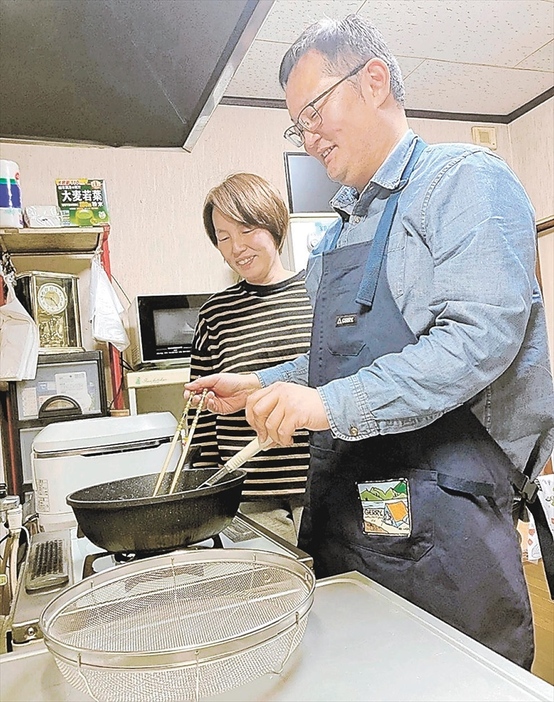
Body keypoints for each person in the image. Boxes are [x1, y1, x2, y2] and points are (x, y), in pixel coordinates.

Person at [185, 16, 554, 668]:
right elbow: (340, 361)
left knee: (450, 674)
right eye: (297, 124)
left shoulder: (463, 183)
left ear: (374, 80)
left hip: (446, 513)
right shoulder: (341, 230)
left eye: (315, 109)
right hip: (361, 508)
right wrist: (266, 383)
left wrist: (324, 405)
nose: (308, 135)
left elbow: (478, 339)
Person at [188, 172, 312, 544]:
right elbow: (204, 412)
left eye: (246, 230)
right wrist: (209, 488)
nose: (235, 247)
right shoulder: (215, 314)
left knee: (335, 587)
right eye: (223, 237)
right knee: (271, 595)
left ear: (273, 226)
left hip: (320, 481)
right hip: (248, 490)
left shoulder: (318, 294)